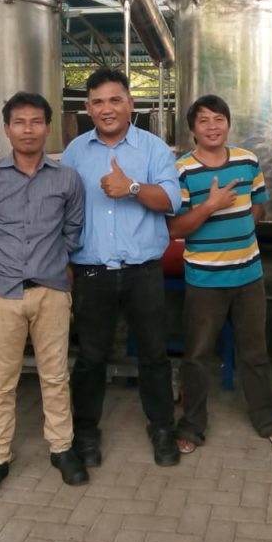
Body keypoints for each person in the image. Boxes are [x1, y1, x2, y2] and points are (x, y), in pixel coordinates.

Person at [0, 91, 88, 500]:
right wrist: (0, 267)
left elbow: (73, 230)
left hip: (51, 292)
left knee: (55, 376)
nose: (28, 129)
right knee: (3, 381)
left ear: (48, 127)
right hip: (3, 294)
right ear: (7, 129)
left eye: (36, 121)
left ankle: (62, 448)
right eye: (19, 122)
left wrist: (53, 264)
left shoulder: (67, 178)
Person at [63, 67, 183, 468]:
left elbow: (171, 201)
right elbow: (63, 209)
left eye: (115, 100)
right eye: (98, 102)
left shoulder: (154, 149)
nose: (107, 109)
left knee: (154, 354)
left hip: (142, 271)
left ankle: (162, 427)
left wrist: (130, 187)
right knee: (90, 357)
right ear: (88, 108)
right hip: (92, 272)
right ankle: (85, 431)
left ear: (131, 103)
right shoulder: (75, 152)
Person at [169, 95, 272, 454]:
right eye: (204, 120)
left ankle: (268, 419)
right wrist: (210, 206)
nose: (212, 127)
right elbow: (174, 229)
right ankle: (192, 425)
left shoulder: (247, 160)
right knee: (197, 356)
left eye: (219, 119)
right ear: (192, 130)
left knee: (254, 352)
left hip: (248, 276)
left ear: (228, 123)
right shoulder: (181, 170)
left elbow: (258, 206)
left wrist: (239, 233)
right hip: (205, 280)